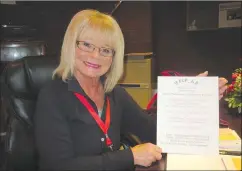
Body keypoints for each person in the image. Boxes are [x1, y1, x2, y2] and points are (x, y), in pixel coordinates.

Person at [34, 9, 228, 171]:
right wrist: (131, 156)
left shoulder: (115, 95)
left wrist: (191, 98)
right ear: (71, 45)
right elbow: (58, 166)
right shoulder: (52, 96)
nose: (95, 56)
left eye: (106, 50)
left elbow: (156, 133)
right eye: (86, 45)